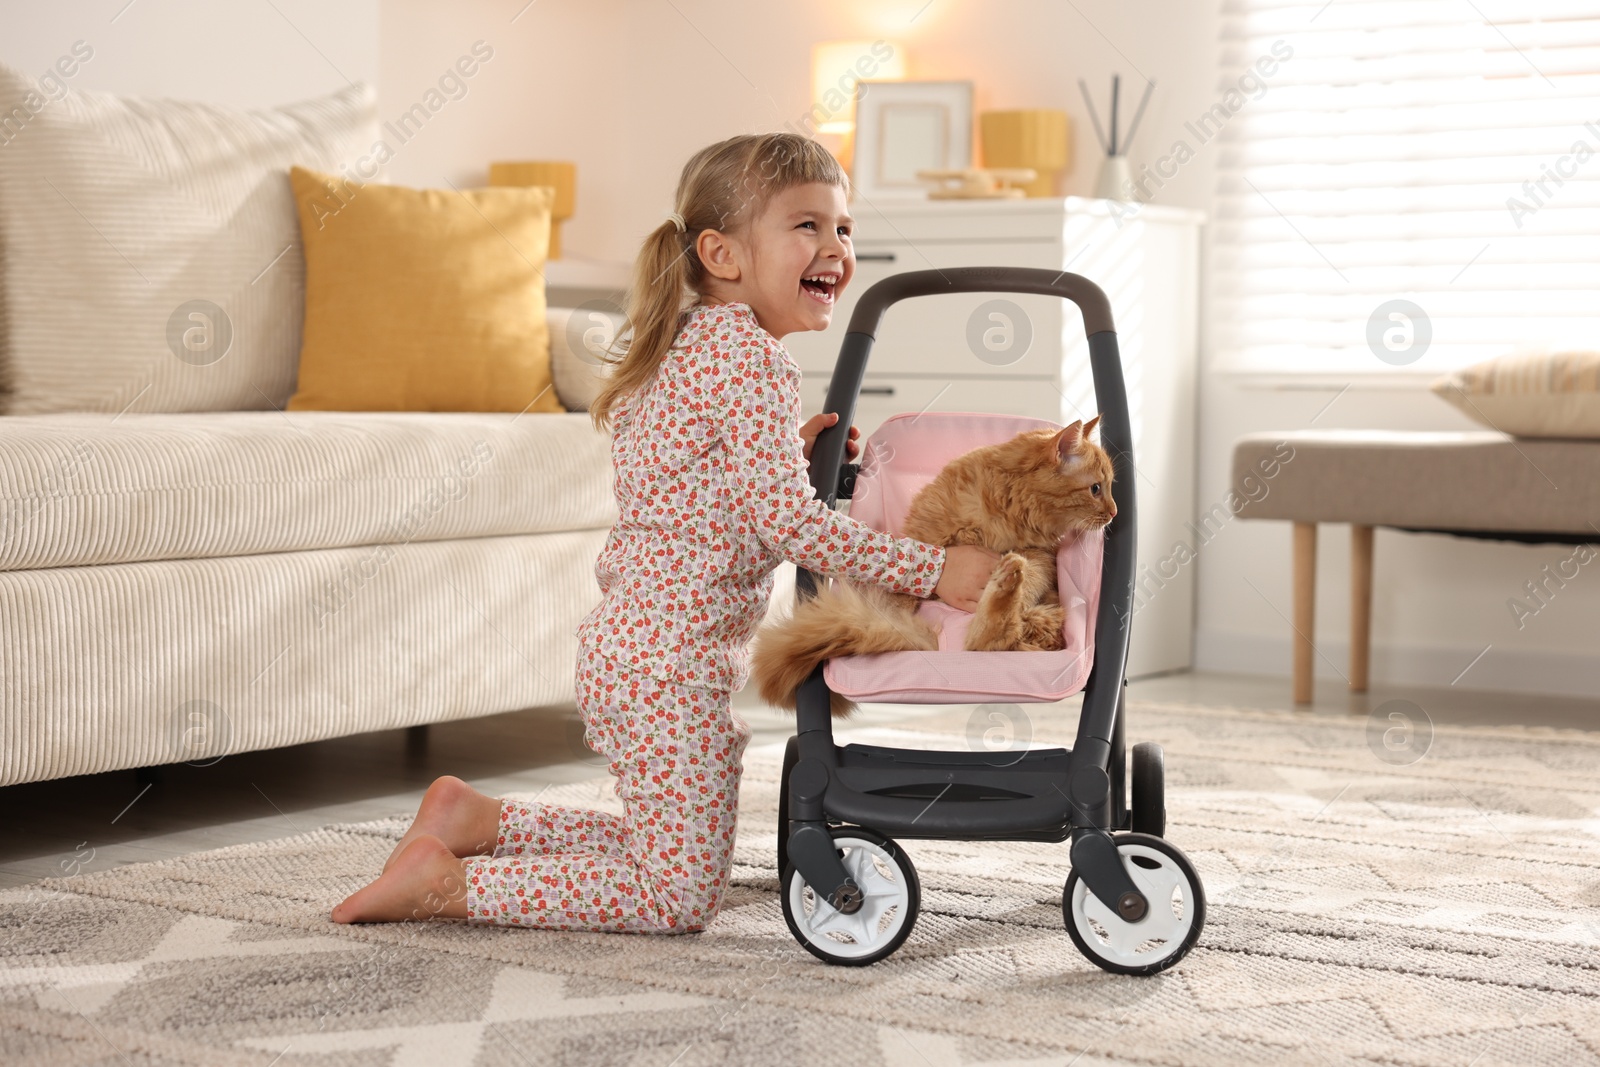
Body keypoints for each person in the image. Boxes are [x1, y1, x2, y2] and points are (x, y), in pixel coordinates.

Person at [331, 132, 1001, 930]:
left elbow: (694, 492)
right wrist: (933, 570)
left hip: (638, 653)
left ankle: (475, 821)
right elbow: (786, 523)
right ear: (722, 253)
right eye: (807, 226)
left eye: (844, 228)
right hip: (666, 668)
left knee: (671, 850)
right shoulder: (749, 360)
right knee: (674, 897)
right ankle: (448, 887)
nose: (836, 248)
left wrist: (786, 456)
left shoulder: (692, 343)